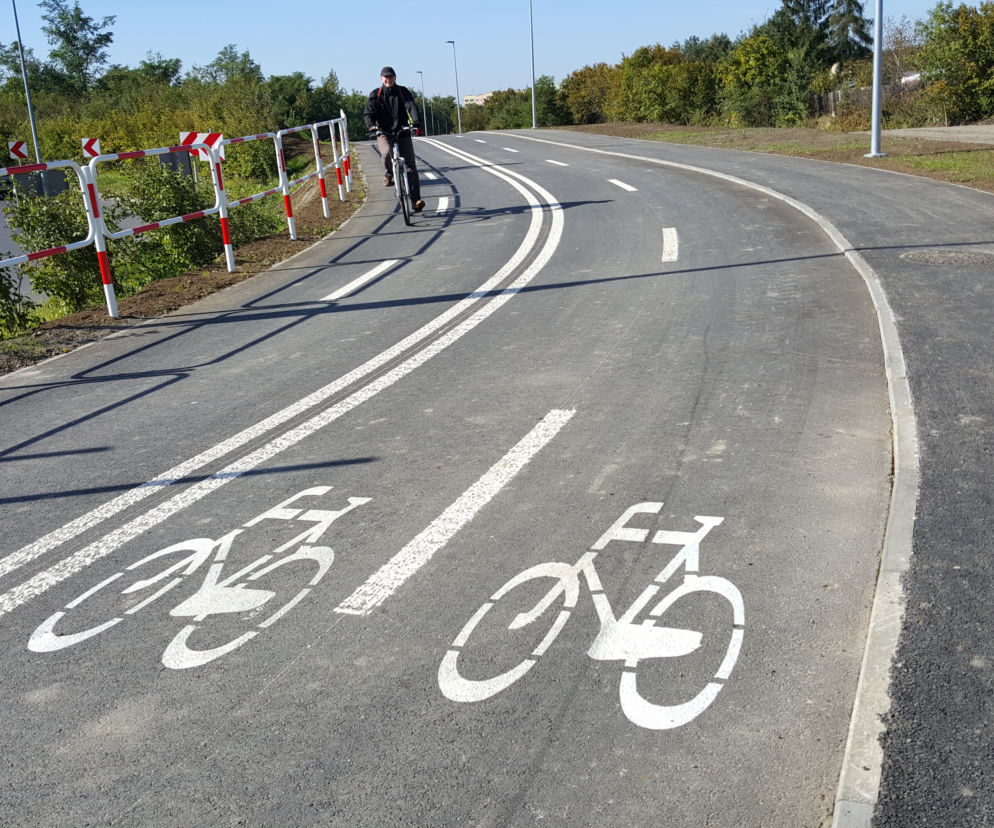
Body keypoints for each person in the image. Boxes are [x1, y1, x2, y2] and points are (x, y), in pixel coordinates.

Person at [363, 66, 425, 212]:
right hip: (384, 132)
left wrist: (416, 121)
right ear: (381, 78)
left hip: (402, 131)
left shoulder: (403, 92)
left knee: (410, 166)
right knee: (386, 153)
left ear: (395, 77)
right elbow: (368, 113)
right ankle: (389, 173)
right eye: (385, 77)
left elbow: (411, 106)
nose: (388, 79)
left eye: (390, 77)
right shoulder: (376, 94)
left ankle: (416, 200)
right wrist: (371, 125)